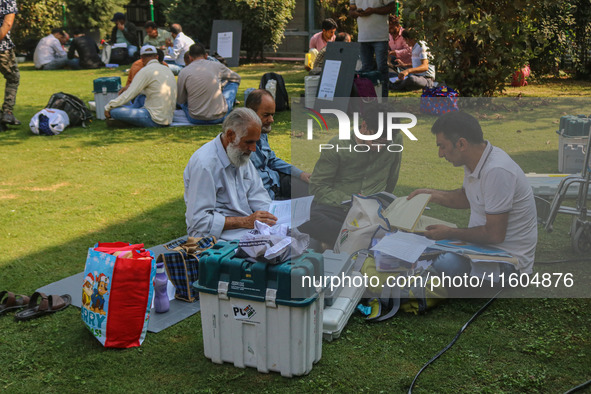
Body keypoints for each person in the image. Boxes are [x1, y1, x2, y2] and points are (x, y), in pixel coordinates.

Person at [407, 111, 537, 277]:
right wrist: (430, 195)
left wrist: (450, 233)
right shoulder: (475, 161)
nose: (440, 154)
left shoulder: (497, 170)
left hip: (507, 261)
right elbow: (467, 197)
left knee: (445, 264)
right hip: (477, 248)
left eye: (442, 146)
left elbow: (494, 234)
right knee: (417, 244)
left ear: (461, 144)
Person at [299, 108, 403, 246]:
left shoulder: (396, 139)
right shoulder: (337, 145)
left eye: (385, 143)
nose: (379, 147)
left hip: (376, 211)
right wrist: (352, 200)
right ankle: (368, 238)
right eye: (376, 140)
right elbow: (317, 187)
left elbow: (392, 177)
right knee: (307, 219)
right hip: (341, 209)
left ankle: (356, 237)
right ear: (364, 125)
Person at [184, 107, 277, 241]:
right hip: (213, 236)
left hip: (246, 229)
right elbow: (199, 221)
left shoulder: (240, 155)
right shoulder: (205, 164)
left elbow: (258, 195)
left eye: (256, 141)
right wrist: (244, 221)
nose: (253, 149)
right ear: (230, 136)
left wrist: (272, 216)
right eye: (249, 142)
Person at [245, 89, 311, 200]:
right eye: (266, 115)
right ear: (250, 113)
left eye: (272, 115)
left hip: (275, 181)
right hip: (264, 195)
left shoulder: (261, 130)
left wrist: (300, 174)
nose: (271, 120)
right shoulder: (238, 142)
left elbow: (271, 160)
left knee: (314, 188)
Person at [104, 45, 176, 128]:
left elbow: (129, 94)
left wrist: (109, 106)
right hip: (168, 118)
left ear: (141, 58)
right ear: (156, 56)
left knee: (114, 111)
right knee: (140, 97)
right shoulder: (167, 69)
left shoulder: (145, 71)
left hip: (154, 119)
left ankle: (125, 122)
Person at [177, 43, 240, 125]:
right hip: (219, 116)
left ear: (190, 57)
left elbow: (180, 100)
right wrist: (222, 86)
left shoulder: (184, 71)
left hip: (195, 118)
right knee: (233, 83)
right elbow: (236, 78)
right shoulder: (216, 66)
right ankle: (227, 103)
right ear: (206, 55)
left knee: (180, 101)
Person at [349, 0, 396, 97]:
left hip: (380, 37)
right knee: (366, 70)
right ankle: (368, 100)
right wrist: (356, 13)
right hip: (363, 37)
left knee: (382, 69)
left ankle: (383, 100)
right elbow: (351, 11)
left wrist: (373, 10)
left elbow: (392, 7)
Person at [0, 0, 20, 126]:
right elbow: (7, 23)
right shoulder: (7, 0)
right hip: (3, 49)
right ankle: (7, 112)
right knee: (13, 78)